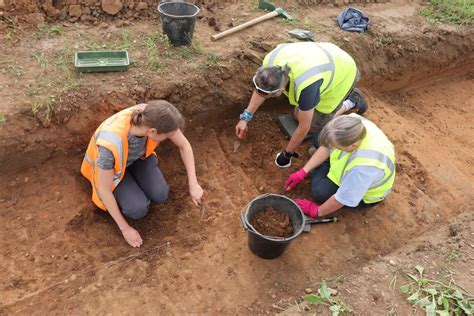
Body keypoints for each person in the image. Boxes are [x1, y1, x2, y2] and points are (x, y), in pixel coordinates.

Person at [81, 100, 203, 247]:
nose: (170, 138)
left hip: (138, 159)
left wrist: (193, 184)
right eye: (168, 135)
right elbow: (104, 190)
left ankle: (136, 180)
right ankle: (130, 189)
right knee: (137, 209)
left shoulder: (154, 116)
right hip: (115, 172)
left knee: (160, 195)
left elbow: (184, 146)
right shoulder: (109, 145)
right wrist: (125, 228)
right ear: (153, 132)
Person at [235, 42, 367, 168]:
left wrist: (286, 156)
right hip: (324, 58)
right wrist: (245, 117)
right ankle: (340, 102)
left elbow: (304, 127)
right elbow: (260, 90)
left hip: (342, 71)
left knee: (313, 126)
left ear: (281, 90)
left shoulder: (306, 86)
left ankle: (351, 102)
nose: (262, 95)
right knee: (299, 114)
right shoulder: (270, 63)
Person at [284, 114, 395, 218]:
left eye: (336, 147)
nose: (331, 147)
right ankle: (325, 163)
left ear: (353, 145)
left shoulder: (363, 169)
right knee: (319, 138)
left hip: (364, 192)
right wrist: (304, 171)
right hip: (347, 167)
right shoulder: (351, 123)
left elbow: (344, 198)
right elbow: (328, 145)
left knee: (320, 193)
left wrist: (317, 211)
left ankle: (324, 165)